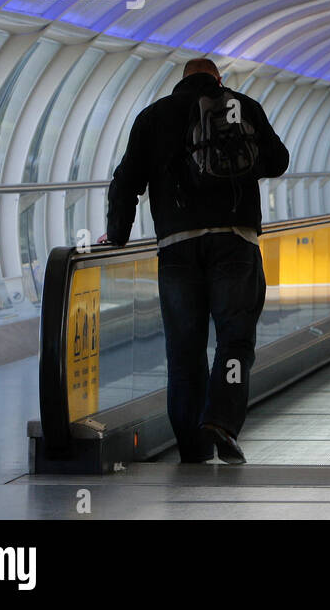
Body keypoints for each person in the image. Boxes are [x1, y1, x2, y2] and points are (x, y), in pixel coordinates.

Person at [104, 58, 290, 465]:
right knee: (235, 340)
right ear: (218, 80)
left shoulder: (153, 116)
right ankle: (222, 420)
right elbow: (278, 161)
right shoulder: (243, 106)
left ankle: (192, 449)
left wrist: (116, 235)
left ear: (182, 80)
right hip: (235, 240)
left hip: (177, 245)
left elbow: (126, 182)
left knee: (184, 350)